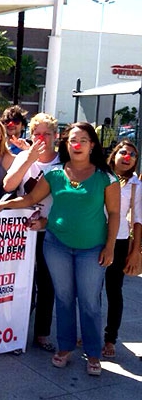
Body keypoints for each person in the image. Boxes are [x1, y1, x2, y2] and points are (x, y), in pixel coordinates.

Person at [0, 122, 119, 376]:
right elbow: (30, 199)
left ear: (92, 144)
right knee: (63, 299)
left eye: (83, 140)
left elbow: (114, 214)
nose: (77, 145)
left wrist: (110, 247)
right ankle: (65, 347)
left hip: (92, 249)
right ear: (66, 144)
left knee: (89, 302)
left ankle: (93, 354)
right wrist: (4, 206)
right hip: (56, 245)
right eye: (73, 140)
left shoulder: (106, 177)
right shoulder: (56, 173)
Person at [3, 113, 61, 353]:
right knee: (20, 284)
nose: (42, 138)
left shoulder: (62, 162)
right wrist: (29, 160)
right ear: (31, 135)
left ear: (55, 136)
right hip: (21, 231)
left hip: (51, 230)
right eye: (38, 134)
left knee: (47, 284)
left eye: (47, 134)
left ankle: (42, 333)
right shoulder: (24, 157)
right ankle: (16, 334)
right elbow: (8, 185)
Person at [103, 140, 141, 358]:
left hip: (119, 242)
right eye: (124, 152)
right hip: (93, 239)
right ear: (114, 154)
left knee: (113, 292)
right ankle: (88, 333)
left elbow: (138, 220)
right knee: (90, 292)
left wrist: (135, 251)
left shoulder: (136, 185)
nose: (128, 157)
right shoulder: (100, 177)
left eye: (133, 155)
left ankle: (110, 338)